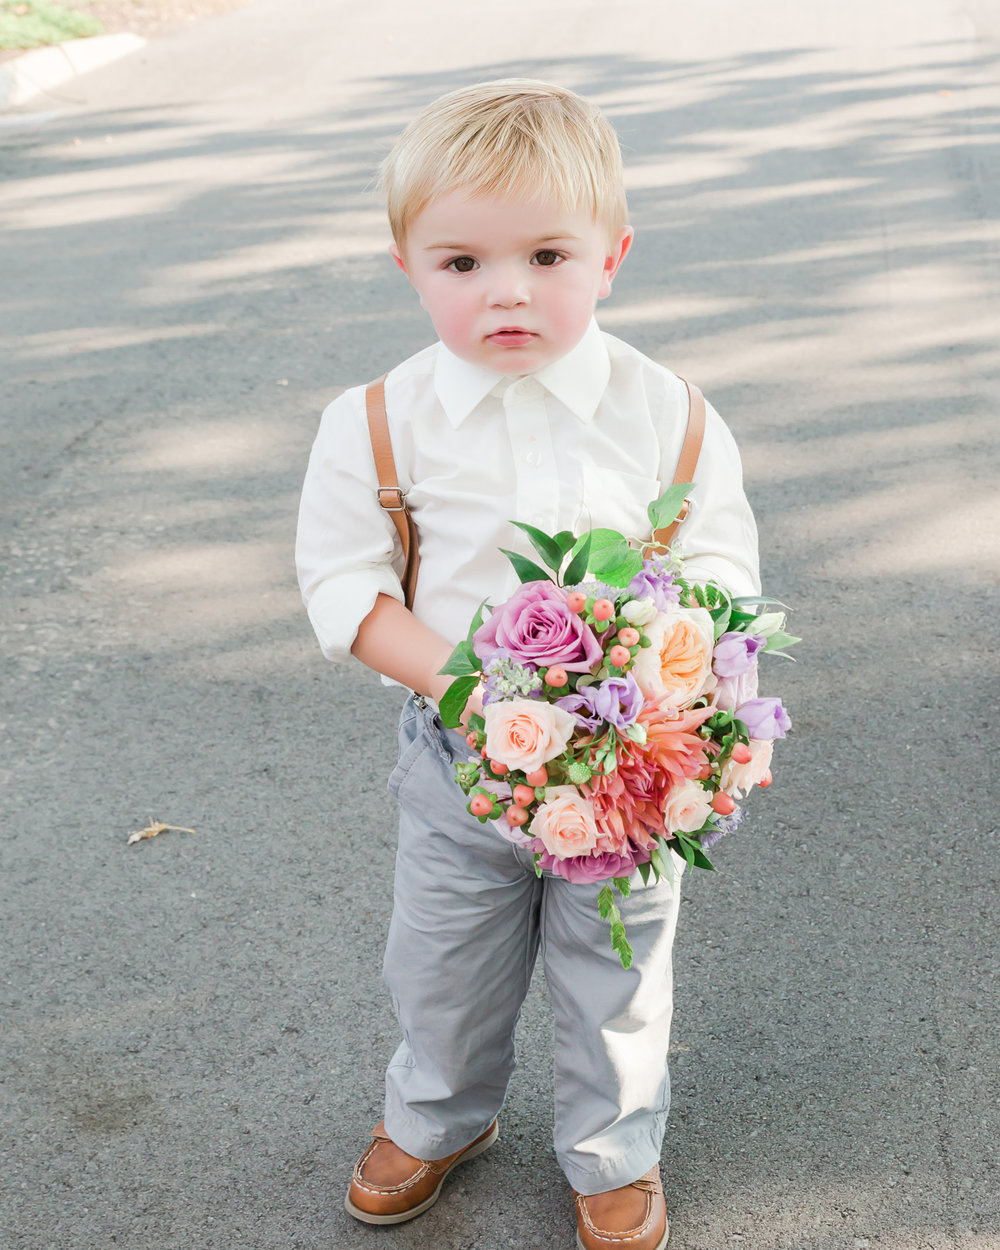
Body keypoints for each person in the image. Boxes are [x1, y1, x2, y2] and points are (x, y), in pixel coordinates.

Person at [296, 79, 760, 1250]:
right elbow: (346, 588)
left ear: (612, 254)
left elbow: (720, 565)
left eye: (548, 253)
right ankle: (438, 1111)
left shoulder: (668, 414)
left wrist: (674, 670)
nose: (506, 289)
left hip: (630, 759)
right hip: (462, 754)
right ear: (407, 261)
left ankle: (613, 1147)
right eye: (460, 262)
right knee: (444, 956)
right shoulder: (375, 422)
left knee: (617, 962)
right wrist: (476, 686)